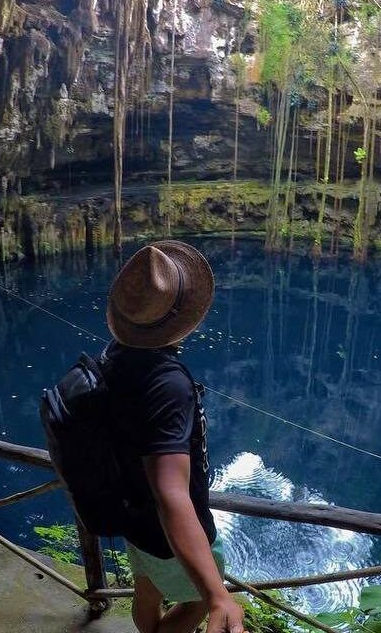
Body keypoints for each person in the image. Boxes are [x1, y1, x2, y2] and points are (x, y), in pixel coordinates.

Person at [102, 240, 245, 633]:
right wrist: (217, 595)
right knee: (197, 601)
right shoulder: (167, 384)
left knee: (146, 591)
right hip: (169, 534)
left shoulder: (115, 358)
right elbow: (172, 493)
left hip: (133, 516)